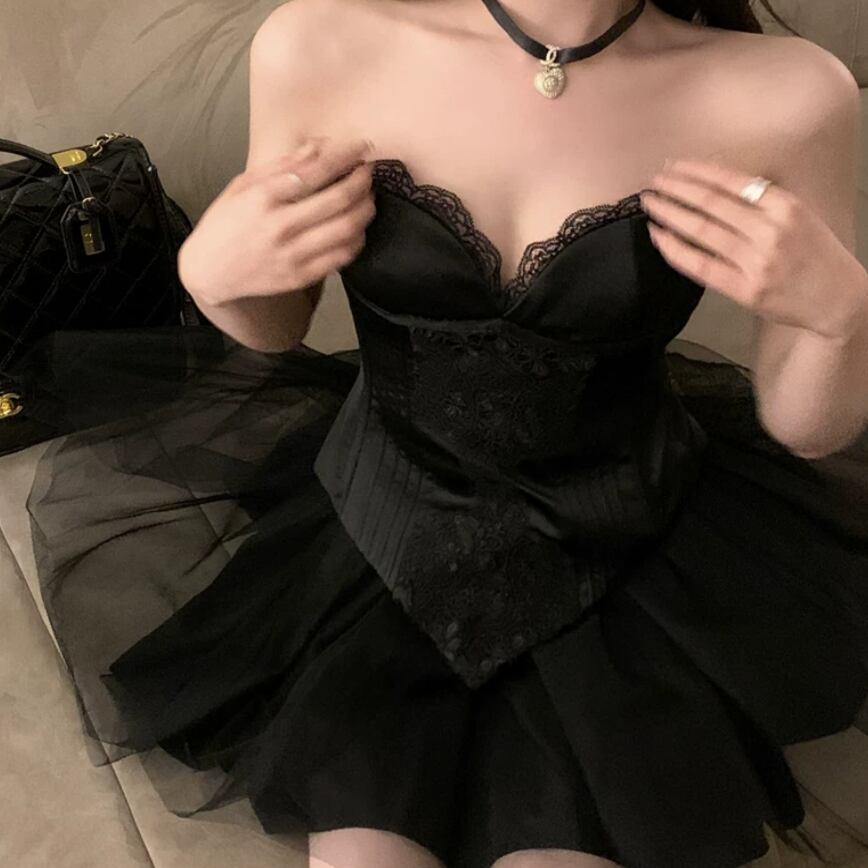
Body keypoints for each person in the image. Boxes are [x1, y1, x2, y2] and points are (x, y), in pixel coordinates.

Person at [5, 0, 868, 866]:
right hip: (381, 530)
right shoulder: (320, 43)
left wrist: (843, 316)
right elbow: (279, 323)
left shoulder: (787, 95)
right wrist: (213, 279)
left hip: (624, 554)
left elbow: (806, 427)